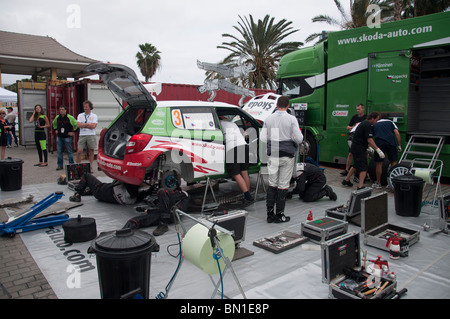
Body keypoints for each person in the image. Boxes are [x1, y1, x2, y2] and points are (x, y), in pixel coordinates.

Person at [260, 96, 303, 223]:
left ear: (277, 104)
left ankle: (269, 214)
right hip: (286, 156)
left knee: (272, 183)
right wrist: (292, 137)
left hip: (273, 155)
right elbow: (299, 139)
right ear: (288, 105)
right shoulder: (291, 119)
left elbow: (263, 138)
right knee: (283, 185)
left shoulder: (268, 118)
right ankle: (280, 215)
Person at [342, 112, 384, 189]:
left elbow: (362, 137)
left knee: (357, 164)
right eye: (376, 120)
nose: (376, 122)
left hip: (356, 147)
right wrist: (378, 150)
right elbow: (369, 139)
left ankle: (346, 179)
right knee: (364, 166)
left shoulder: (364, 123)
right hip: (359, 148)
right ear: (372, 118)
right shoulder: (367, 125)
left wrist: (369, 147)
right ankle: (360, 186)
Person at [123, 187, 189, 236]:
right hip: (164, 214)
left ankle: (163, 224)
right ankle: (122, 232)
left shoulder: (182, 194)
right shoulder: (166, 202)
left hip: (174, 214)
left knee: (161, 191)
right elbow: (163, 209)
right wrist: (146, 210)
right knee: (136, 220)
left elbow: (171, 203)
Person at [219, 115, 253, 206]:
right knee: (244, 171)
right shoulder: (232, 123)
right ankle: (247, 195)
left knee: (235, 173)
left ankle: (248, 196)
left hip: (232, 147)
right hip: (243, 145)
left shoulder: (218, 125)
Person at [69, 172, 146, 205]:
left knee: (86, 175)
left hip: (102, 191)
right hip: (119, 196)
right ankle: (86, 192)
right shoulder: (133, 198)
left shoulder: (129, 186)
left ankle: (77, 195)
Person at [372, 113, 402, 188]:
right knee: (393, 162)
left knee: (379, 164)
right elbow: (397, 133)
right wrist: (399, 145)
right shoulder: (391, 123)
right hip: (391, 143)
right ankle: (392, 183)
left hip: (379, 144)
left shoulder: (375, 124)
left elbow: (370, 136)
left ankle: (378, 183)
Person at [341, 104, 366, 177]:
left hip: (362, 139)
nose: (358, 111)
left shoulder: (365, 118)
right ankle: (346, 169)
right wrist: (354, 126)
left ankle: (361, 170)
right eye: (357, 109)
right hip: (354, 138)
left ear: (363, 109)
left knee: (362, 155)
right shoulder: (354, 117)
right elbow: (348, 127)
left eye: (359, 109)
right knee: (350, 154)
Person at [53, 105, 78, 170]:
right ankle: (60, 165)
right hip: (59, 136)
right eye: (60, 109)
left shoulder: (70, 117)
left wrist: (73, 132)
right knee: (59, 151)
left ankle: (71, 164)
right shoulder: (57, 117)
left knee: (69, 151)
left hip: (67, 137)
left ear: (65, 110)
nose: (61, 111)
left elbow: (76, 124)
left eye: (62, 109)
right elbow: (54, 123)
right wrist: (55, 130)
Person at [76, 100, 98, 169]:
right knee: (79, 151)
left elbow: (93, 126)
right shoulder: (80, 115)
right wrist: (87, 124)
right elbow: (78, 125)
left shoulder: (94, 116)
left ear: (90, 107)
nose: (85, 108)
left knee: (91, 150)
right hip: (82, 135)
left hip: (91, 134)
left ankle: (90, 166)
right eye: (84, 106)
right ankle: (78, 165)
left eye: (86, 106)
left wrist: (83, 125)